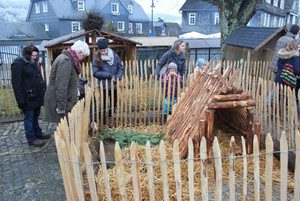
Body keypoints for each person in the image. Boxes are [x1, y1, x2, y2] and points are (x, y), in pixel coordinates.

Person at [11, 45, 49, 147]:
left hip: (36, 96)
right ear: (27, 54)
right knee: (29, 118)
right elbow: (16, 84)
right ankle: (31, 138)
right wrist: (20, 100)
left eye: (36, 55)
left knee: (36, 116)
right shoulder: (18, 64)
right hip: (27, 97)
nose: (35, 57)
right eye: (33, 55)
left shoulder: (33, 63)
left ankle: (38, 133)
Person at [43, 40, 90, 122]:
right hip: (61, 102)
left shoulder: (68, 59)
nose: (82, 59)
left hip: (65, 100)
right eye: (83, 56)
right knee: (64, 127)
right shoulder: (66, 61)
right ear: (79, 52)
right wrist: (61, 107)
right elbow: (61, 85)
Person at [92, 37, 124, 120]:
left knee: (114, 102)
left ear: (107, 48)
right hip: (104, 85)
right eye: (101, 51)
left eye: (104, 50)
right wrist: (108, 75)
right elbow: (95, 73)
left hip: (114, 84)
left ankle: (111, 117)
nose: (103, 52)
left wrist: (118, 77)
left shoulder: (115, 56)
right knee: (104, 103)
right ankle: (103, 119)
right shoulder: (96, 59)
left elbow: (120, 68)